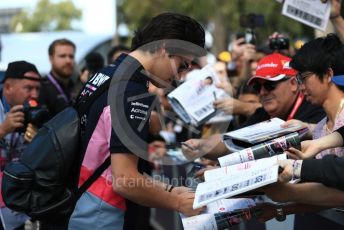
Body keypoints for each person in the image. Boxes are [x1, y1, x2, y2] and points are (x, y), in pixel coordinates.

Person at [67, 12, 206, 229]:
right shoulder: (132, 91)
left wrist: (169, 190)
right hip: (102, 215)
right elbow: (124, 180)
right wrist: (177, 201)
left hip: (80, 206)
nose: (179, 76)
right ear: (165, 48)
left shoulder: (107, 74)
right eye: (182, 65)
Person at [182, 53, 325, 160]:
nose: (262, 92)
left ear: (293, 84)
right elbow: (231, 141)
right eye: (258, 87)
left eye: (270, 85)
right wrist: (201, 145)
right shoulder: (263, 114)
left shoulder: (315, 109)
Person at [0, 61, 42, 230]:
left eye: (38, 89)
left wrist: (38, 143)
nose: (35, 95)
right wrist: (2, 130)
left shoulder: (35, 112)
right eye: (28, 88)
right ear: (8, 87)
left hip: (20, 201)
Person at [39, 38, 76, 117]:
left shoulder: (76, 86)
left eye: (71, 56)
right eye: (62, 56)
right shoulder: (40, 88)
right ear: (51, 59)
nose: (68, 61)